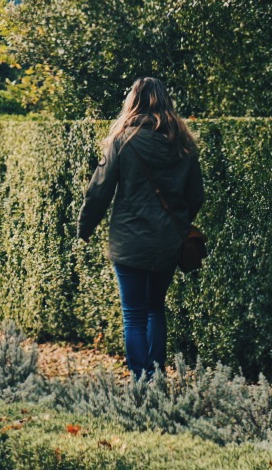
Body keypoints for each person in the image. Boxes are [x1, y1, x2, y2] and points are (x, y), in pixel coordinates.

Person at [77, 77, 203, 379]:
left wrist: (85, 227)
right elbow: (196, 196)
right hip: (168, 241)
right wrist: (179, 225)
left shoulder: (123, 141)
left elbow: (98, 192)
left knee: (133, 314)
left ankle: (140, 379)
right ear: (165, 102)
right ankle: (156, 376)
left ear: (132, 102)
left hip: (129, 241)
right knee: (155, 309)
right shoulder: (183, 144)